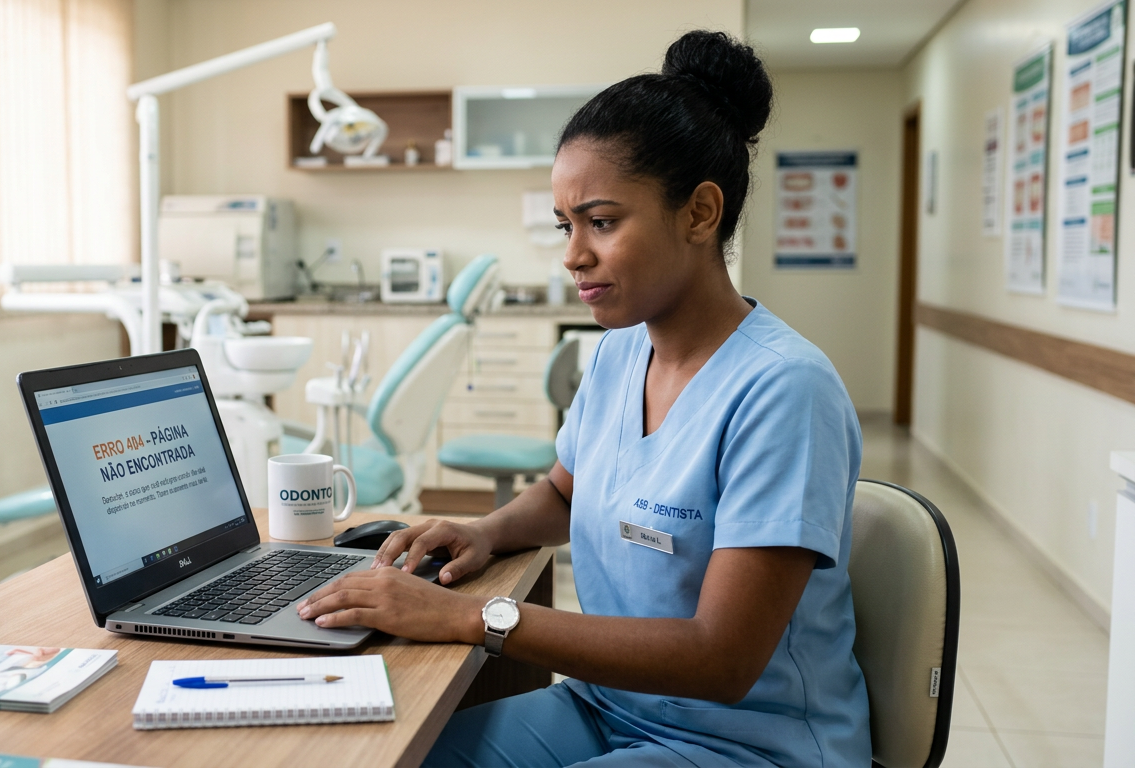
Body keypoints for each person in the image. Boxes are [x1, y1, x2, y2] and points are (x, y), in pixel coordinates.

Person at [296, 29, 870, 767]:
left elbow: (721, 659)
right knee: (398, 758)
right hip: (608, 705)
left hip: (748, 745)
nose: (573, 254)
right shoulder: (619, 353)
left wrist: (473, 617)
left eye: (601, 222)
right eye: (567, 226)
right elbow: (567, 493)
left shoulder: (784, 390)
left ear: (699, 214)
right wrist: (488, 531)